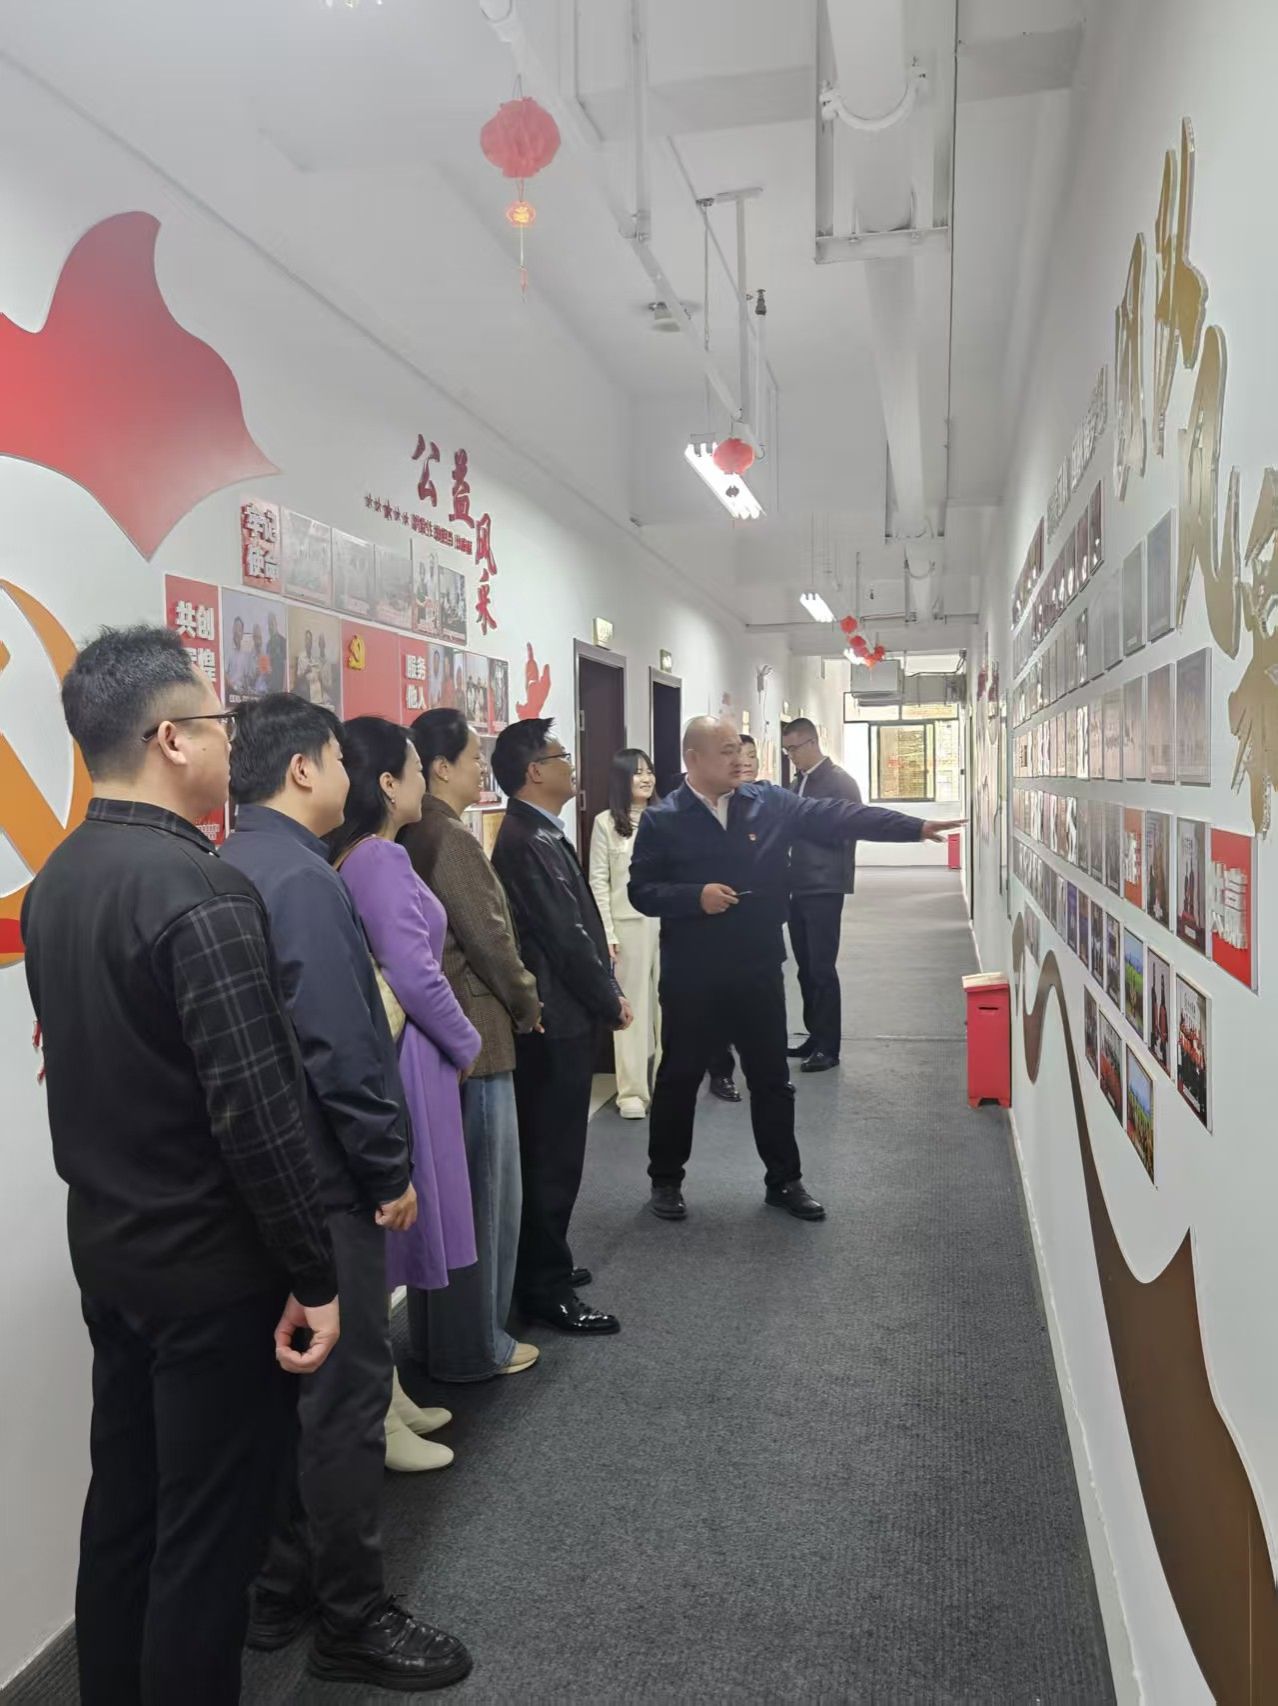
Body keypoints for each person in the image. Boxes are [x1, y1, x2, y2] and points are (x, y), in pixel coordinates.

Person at [21, 627, 339, 1706]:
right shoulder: (201, 891)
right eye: (220, 722)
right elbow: (257, 1113)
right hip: (211, 1273)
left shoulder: (60, 878)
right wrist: (315, 1271)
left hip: (112, 1252)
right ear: (170, 739)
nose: (229, 741)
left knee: (127, 1514)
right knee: (208, 1545)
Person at [222, 694, 471, 1693]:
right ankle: (353, 1617)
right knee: (345, 1397)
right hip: (330, 1184)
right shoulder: (302, 880)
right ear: (303, 770)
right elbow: (341, 1045)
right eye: (336, 757)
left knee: (289, 1397)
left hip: (263, 1184)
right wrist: (386, 1168)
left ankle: (282, 1589)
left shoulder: (232, 863)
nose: (349, 775)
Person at [630, 716, 963, 1222]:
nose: (739, 759)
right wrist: (693, 897)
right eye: (726, 751)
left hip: (758, 966)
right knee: (679, 1078)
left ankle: (784, 1181)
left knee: (771, 1080)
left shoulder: (768, 802)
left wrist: (912, 827)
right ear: (692, 759)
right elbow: (641, 891)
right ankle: (666, 1180)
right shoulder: (663, 819)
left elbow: (839, 815)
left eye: (740, 749)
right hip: (694, 974)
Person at [329, 718, 501, 1457]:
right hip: (412, 1058)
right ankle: (378, 1413)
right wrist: (466, 1041)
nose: (424, 783)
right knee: (391, 1238)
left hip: (409, 1054)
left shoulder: (364, 855)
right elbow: (416, 974)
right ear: (388, 784)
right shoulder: (380, 860)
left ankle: (390, 1396)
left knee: (391, 1248)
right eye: (413, 770)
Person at [403, 708, 543, 1380]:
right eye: (472, 758)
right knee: (484, 1204)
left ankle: (439, 1341)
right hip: (477, 1038)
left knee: (447, 1206)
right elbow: (490, 941)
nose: (480, 769)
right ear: (439, 768)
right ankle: (476, 1346)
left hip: (438, 1040)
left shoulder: (411, 832)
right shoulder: (448, 836)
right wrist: (527, 1002)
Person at [491, 718, 631, 1334]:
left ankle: (549, 1262)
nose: (571, 765)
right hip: (557, 1017)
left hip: (563, 1012)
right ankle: (543, 1286)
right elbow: (566, 935)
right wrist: (609, 998)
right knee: (552, 1156)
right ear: (534, 772)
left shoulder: (540, 831)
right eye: (561, 756)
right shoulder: (528, 838)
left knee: (554, 1152)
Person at [780, 717, 864, 1073]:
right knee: (804, 967)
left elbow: (851, 828)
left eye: (794, 749)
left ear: (813, 743)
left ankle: (829, 1048)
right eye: (787, 750)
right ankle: (814, 1035)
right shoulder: (799, 781)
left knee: (822, 968)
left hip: (824, 885)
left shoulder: (839, 782)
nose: (791, 756)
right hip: (797, 884)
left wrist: (803, 830)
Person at [589, 748, 661, 1119]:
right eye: (637, 773)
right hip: (627, 925)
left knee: (670, 1007)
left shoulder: (667, 817)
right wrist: (607, 933)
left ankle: (668, 1084)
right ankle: (632, 1092)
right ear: (622, 779)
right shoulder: (605, 823)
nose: (646, 778)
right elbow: (598, 881)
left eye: (649, 771)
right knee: (631, 1010)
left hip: (668, 922)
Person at [705, 733, 759, 1104]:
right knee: (718, 1001)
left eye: (751, 755)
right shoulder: (708, 805)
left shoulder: (767, 802)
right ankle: (720, 1071)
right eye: (738, 754)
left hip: (757, 927)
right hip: (716, 923)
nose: (746, 762)